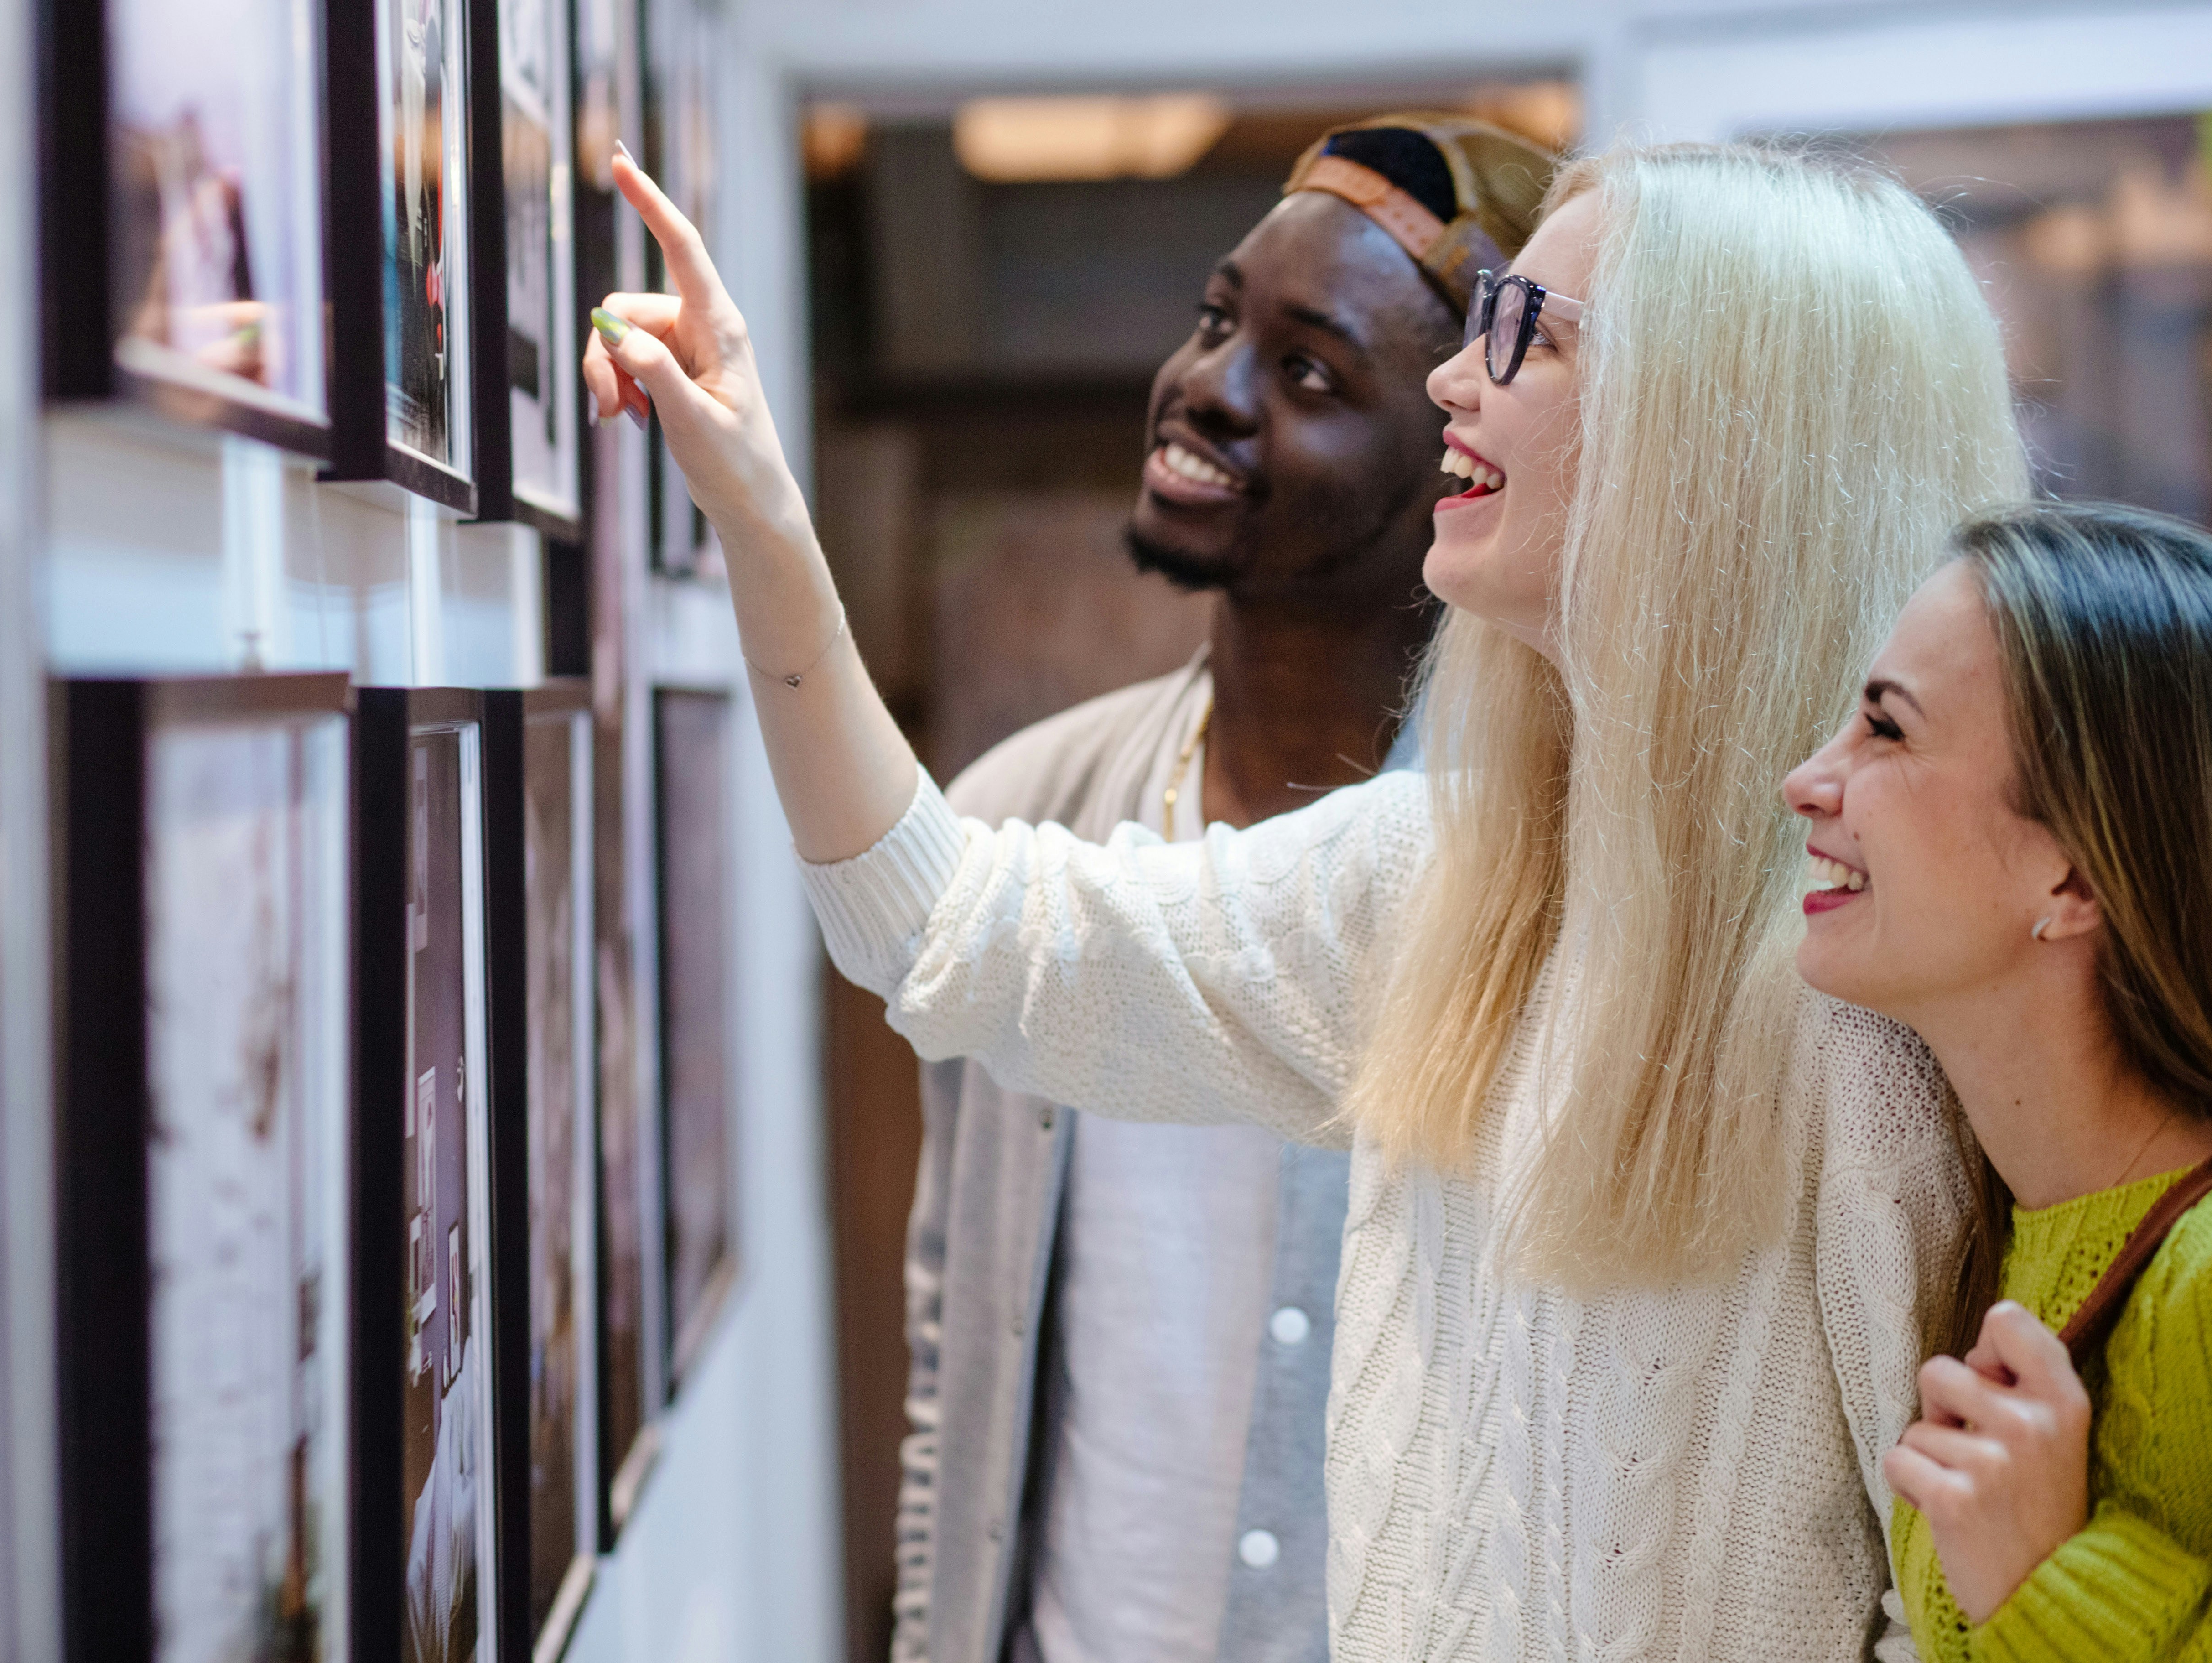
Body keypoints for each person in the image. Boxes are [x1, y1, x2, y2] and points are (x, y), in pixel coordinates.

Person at [584, 138, 2030, 1658]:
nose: (1460, 383)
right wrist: (756, 504)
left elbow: (1944, 1615)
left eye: (1531, 336)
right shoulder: (1441, 881)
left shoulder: (1889, 1018)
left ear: (1717, 436)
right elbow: (947, 933)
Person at [900, 116, 1552, 1663]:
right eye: (1216, 320)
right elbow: (960, 1339)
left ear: (1461, 450)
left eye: (1311, 370)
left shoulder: (1546, 878)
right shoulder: (1027, 826)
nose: (1207, 386)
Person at [1781, 502, 2212, 1660]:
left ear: (2073, 874)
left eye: (1885, 731)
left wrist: (2058, 1587)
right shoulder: (2000, 1227)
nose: (1808, 781)